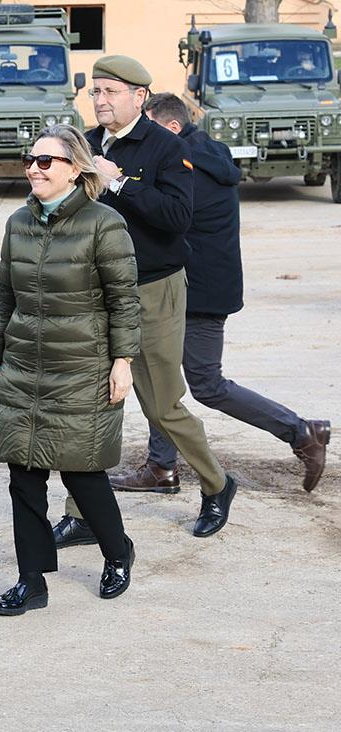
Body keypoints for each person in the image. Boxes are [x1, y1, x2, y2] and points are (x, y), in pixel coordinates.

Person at [53, 55, 237, 548]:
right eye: (95, 92)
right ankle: (82, 512)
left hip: (153, 288)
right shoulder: (86, 144)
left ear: (139, 97)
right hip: (96, 290)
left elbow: (177, 216)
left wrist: (117, 182)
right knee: (90, 405)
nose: (100, 101)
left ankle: (217, 485)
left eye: (111, 92)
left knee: (161, 405)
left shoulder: (165, 146)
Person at [0, 124, 141, 616]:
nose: (34, 168)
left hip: (82, 367)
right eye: (31, 160)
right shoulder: (18, 222)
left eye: (46, 161)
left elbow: (124, 301)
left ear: (75, 169)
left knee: (82, 473)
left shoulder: (104, 224)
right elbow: (5, 298)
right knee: (23, 477)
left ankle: (117, 553)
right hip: (25, 368)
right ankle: (31, 580)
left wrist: (123, 362)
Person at [141, 93, 330, 492]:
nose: (143, 136)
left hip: (197, 290)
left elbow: (168, 220)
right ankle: (161, 467)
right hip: (203, 285)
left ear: (172, 128)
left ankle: (301, 432)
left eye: (149, 126)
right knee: (162, 376)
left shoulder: (186, 166)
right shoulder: (209, 153)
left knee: (205, 383)